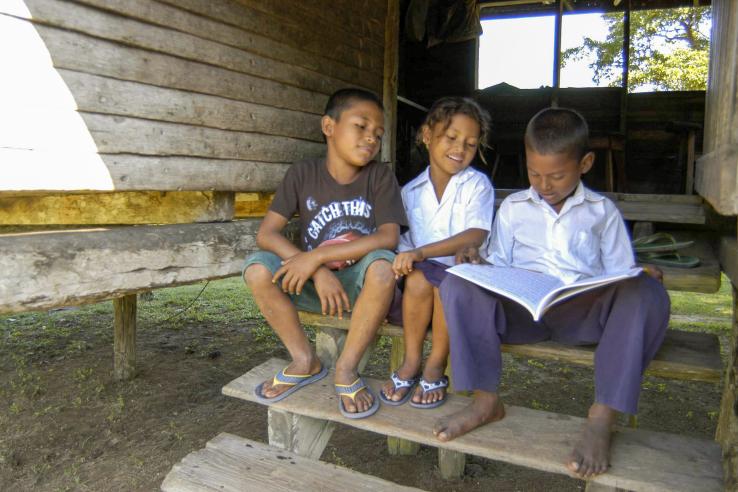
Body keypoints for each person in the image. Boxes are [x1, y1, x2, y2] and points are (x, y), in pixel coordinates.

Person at [436, 107, 670, 478]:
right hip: (522, 314)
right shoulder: (513, 207)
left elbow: (617, 272)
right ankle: (485, 401)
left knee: (646, 293)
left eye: (557, 175)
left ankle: (601, 417)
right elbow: (498, 265)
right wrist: (476, 261)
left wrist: (636, 274)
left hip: (582, 317)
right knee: (458, 282)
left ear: (585, 163)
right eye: (534, 173)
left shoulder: (601, 211)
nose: (544, 185)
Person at [243, 88, 408, 419]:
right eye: (361, 126)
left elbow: (388, 237)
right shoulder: (303, 174)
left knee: (382, 268)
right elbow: (267, 233)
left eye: (377, 134)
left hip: (360, 288)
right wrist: (315, 270)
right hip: (313, 285)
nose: (371, 139)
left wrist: (316, 257)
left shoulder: (379, 176)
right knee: (257, 270)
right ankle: (304, 360)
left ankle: (346, 369)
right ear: (329, 127)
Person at [379, 97, 494, 409]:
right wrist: (411, 258)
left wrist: (420, 253)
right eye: (451, 138)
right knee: (417, 280)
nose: (460, 149)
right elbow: (404, 249)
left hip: (460, 283)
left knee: (446, 282)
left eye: (471, 144)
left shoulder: (477, 185)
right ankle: (412, 360)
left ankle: (436, 364)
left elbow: (476, 234)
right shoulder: (410, 193)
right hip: (419, 292)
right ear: (427, 135)